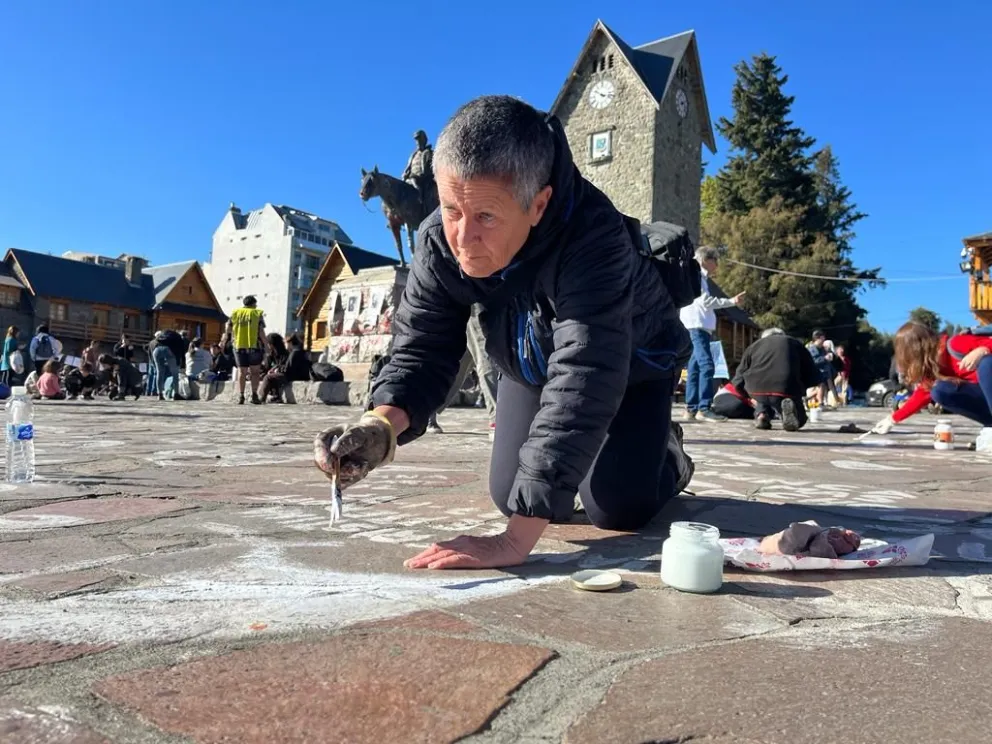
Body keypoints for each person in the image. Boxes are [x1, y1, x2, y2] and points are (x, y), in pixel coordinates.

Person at [313, 95, 693, 571]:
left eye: (486, 217)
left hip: (632, 364)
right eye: (452, 209)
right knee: (510, 492)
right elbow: (423, 348)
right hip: (530, 360)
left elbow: (586, 373)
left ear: (539, 204)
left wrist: (513, 543)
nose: (463, 238)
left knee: (617, 507)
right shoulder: (439, 240)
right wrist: (380, 427)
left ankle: (667, 451)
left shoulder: (596, 238)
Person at [870, 322, 992, 436]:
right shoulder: (933, 369)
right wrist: (891, 420)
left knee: (987, 364)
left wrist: (983, 350)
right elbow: (922, 394)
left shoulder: (956, 343)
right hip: (984, 399)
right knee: (939, 391)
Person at [678, 246, 745, 423]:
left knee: (694, 368)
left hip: (694, 325)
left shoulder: (695, 276)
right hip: (698, 326)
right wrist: (731, 301)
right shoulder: (698, 276)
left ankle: (691, 408)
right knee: (707, 366)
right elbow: (706, 301)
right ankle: (704, 408)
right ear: (706, 260)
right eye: (715, 260)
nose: (717, 264)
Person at [732, 328, 822, 431]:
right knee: (800, 420)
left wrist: (748, 396)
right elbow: (811, 372)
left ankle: (761, 414)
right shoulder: (794, 343)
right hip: (786, 387)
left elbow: (738, 378)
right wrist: (801, 390)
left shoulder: (753, 346)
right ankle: (791, 414)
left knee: (762, 400)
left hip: (757, 388)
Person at [224, 295, 268, 405]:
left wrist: (228, 339)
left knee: (242, 372)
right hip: (254, 346)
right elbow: (261, 331)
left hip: (239, 346)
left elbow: (228, 329)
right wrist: (266, 345)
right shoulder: (256, 313)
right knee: (255, 372)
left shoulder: (235, 313)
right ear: (253, 304)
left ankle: (241, 396)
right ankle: (254, 395)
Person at [402, 129, 439, 216]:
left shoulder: (430, 152)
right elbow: (407, 168)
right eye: (416, 140)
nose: (417, 142)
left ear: (424, 140)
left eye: (419, 139)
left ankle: (423, 205)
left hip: (426, 179)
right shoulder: (413, 155)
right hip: (412, 178)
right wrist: (404, 174)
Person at [806, 331, 837, 407]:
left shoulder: (822, 348)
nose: (824, 340)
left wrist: (830, 355)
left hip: (823, 372)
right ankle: (820, 403)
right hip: (816, 371)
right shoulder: (812, 349)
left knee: (822, 387)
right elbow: (813, 361)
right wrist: (825, 358)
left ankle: (815, 401)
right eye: (823, 338)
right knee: (821, 386)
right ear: (818, 338)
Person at [258, 333, 289, 402]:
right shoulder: (271, 354)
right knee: (264, 376)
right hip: (274, 375)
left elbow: (285, 366)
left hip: (284, 375)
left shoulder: (285, 354)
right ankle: (276, 396)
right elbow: (265, 367)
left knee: (268, 377)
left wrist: (276, 370)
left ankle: (262, 398)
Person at [151, 331, 179, 401]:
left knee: (159, 373)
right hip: (168, 350)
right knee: (174, 373)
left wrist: (153, 363)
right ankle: (176, 393)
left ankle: (159, 394)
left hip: (156, 352)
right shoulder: (172, 339)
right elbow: (177, 350)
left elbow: (150, 352)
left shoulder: (152, 342)